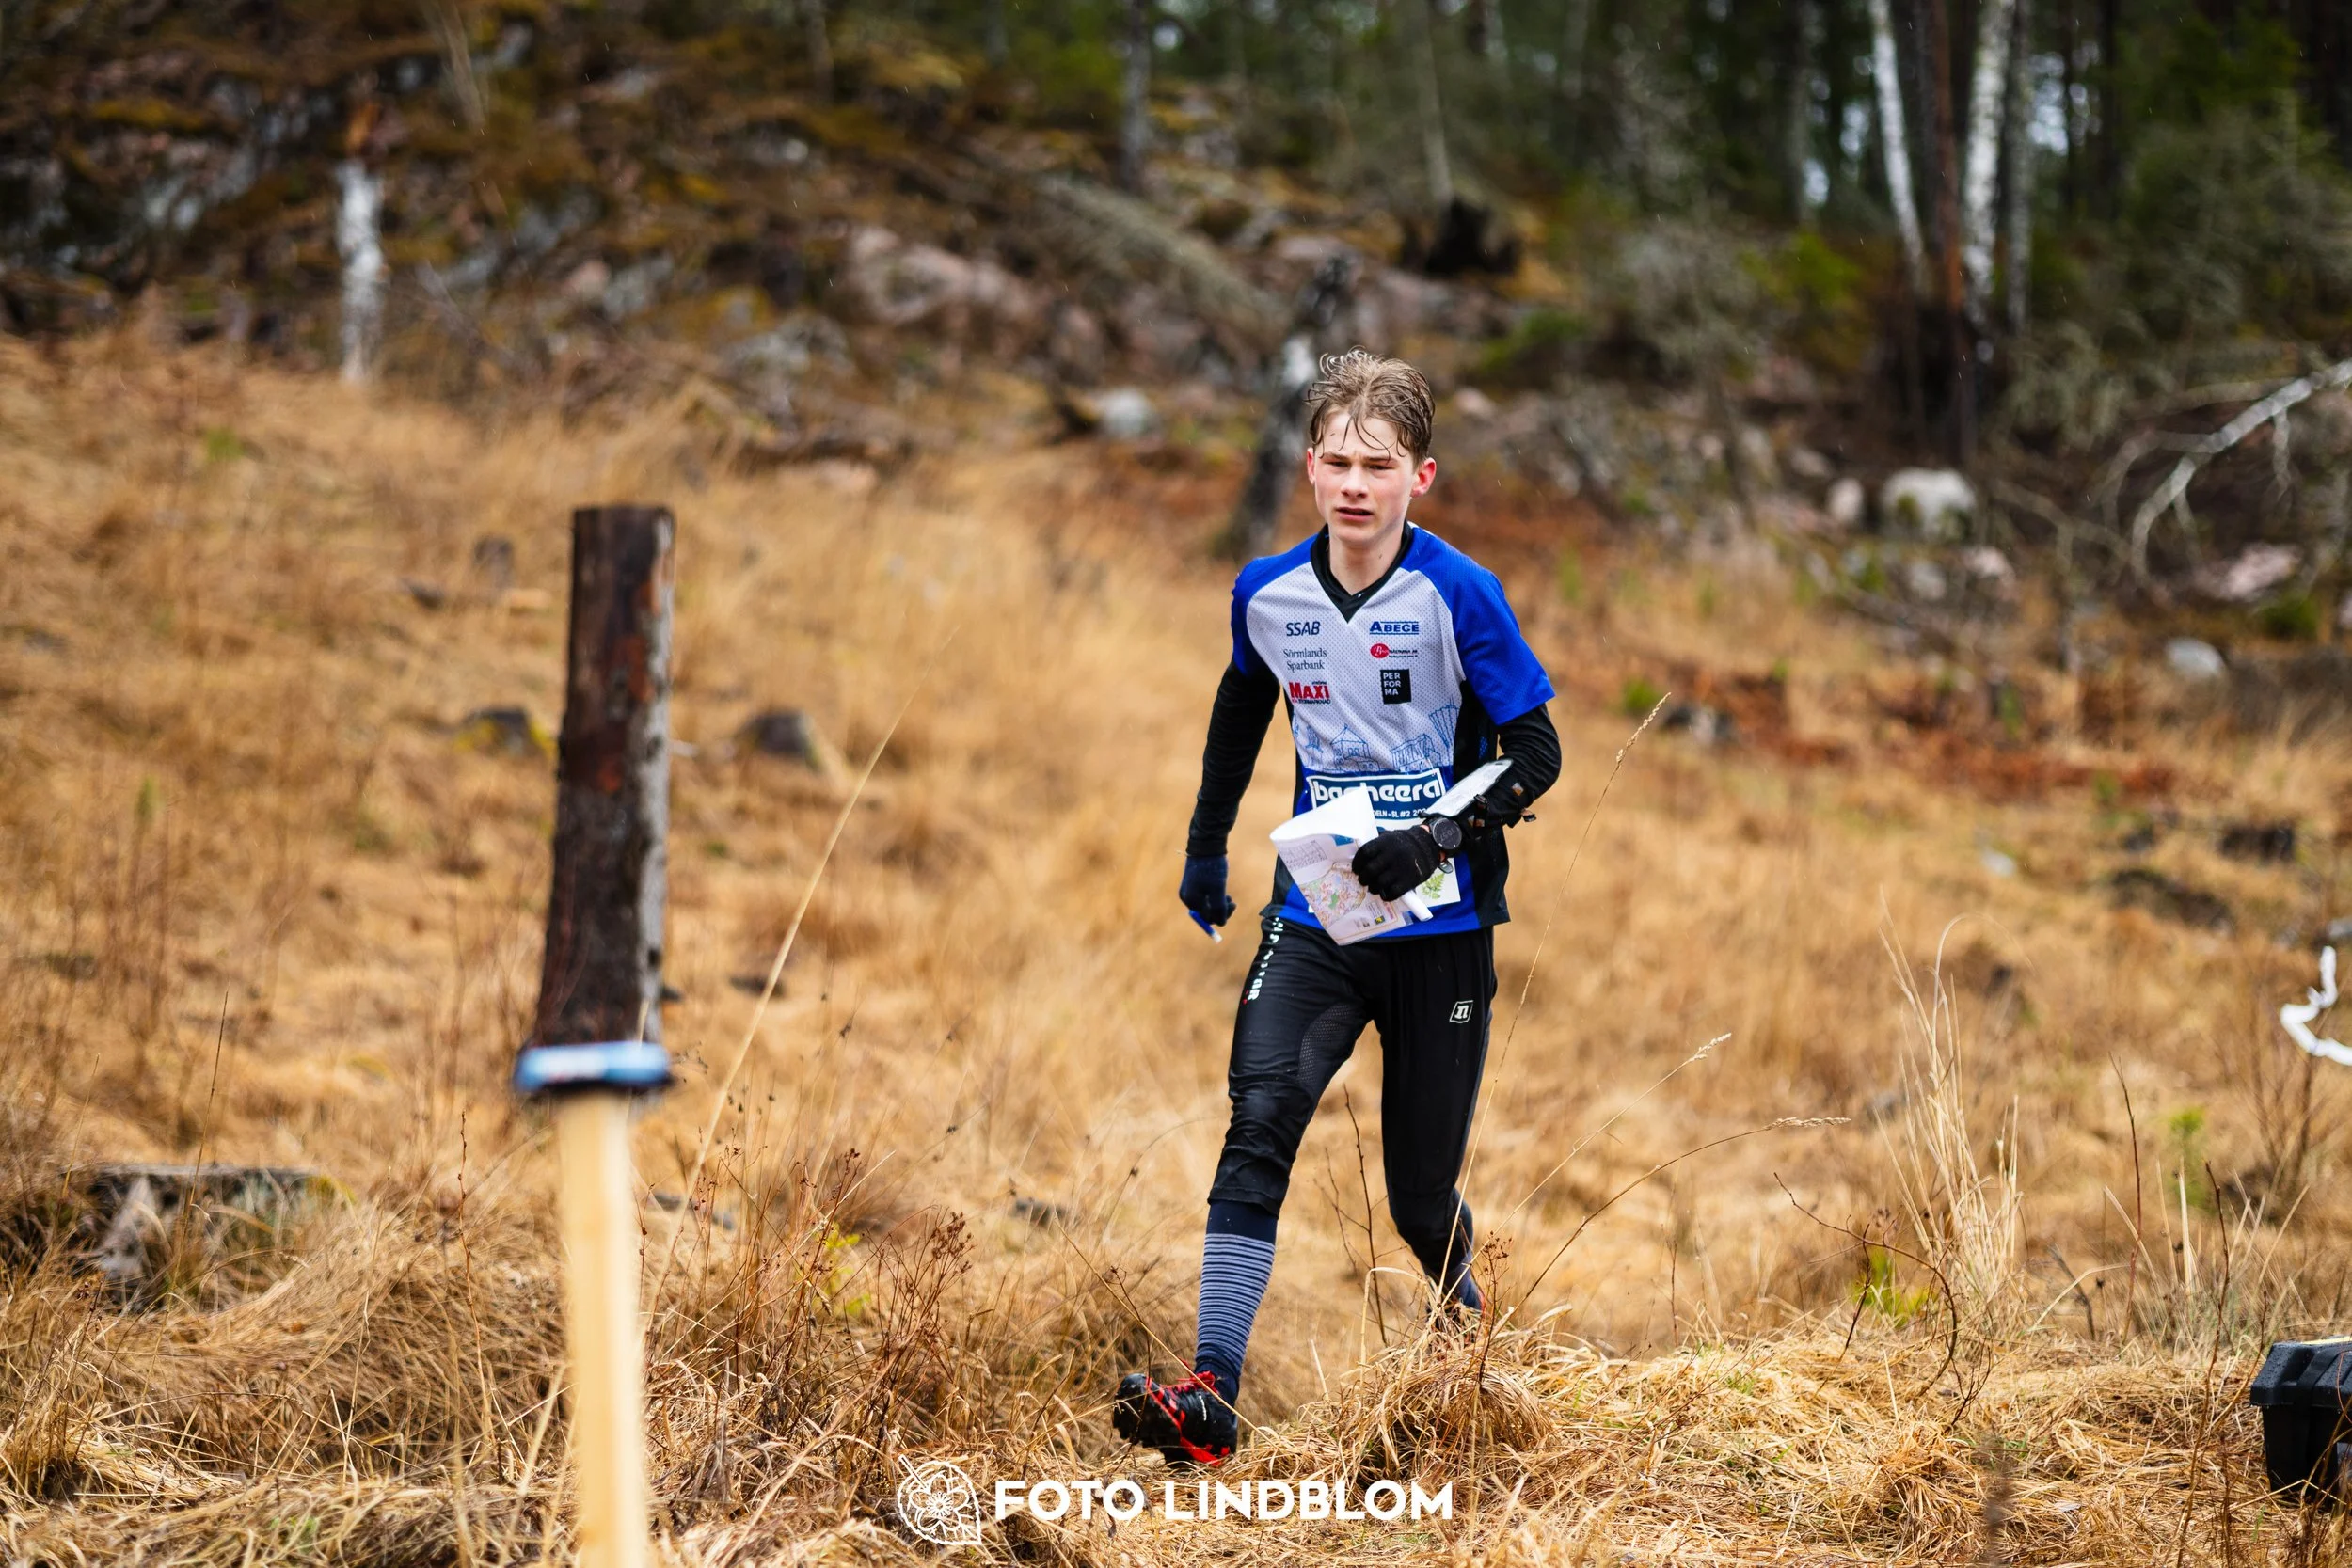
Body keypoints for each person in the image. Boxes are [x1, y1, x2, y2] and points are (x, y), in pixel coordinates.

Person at [1113, 350, 1562, 1465]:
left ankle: (1479, 1370)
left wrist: (1440, 835)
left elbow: (1537, 751)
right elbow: (1238, 711)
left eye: (1381, 465)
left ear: (1422, 475)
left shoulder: (1461, 593)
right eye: (1338, 462)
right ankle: (1209, 1397)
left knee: (1417, 1199)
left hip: (1442, 932)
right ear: (1308, 466)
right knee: (1259, 1117)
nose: (1356, 485)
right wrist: (1205, 848)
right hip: (1316, 917)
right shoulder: (1266, 592)